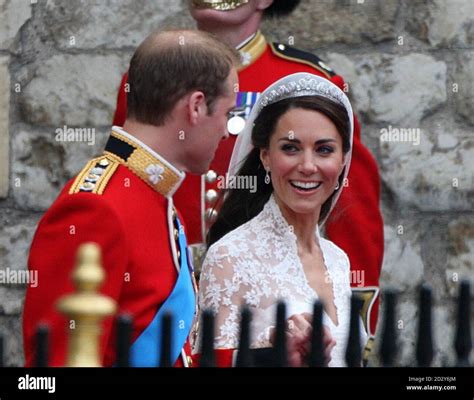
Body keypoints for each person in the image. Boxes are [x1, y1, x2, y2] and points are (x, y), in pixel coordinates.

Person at [112, 0, 383, 353]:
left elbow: (354, 215)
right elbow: (129, 185)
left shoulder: (308, 81)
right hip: (166, 293)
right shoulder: (150, 77)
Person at [22, 29, 239, 367]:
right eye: (227, 113)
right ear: (196, 107)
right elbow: (58, 362)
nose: (226, 130)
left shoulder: (154, 192)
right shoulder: (95, 207)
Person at [197, 72, 367, 367]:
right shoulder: (230, 256)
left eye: (324, 150)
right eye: (290, 148)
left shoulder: (338, 259)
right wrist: (272, 352)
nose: (308, 166)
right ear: (265, 156)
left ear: (342, 161)